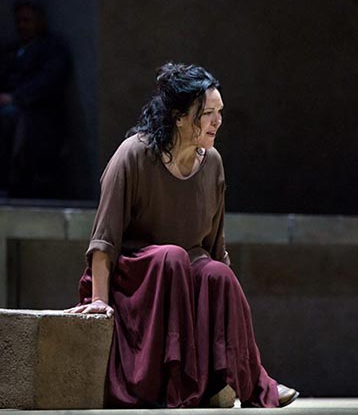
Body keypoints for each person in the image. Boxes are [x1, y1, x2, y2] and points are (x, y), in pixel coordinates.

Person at [65, 63, 298, 408]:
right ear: (179, 117)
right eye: (207, 113)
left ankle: (253, 383)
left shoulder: (212, 163)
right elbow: (104, 241)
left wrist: (223, 296)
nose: (217, 121)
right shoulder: (133, 155)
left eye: (220, 112)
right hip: (139, 278)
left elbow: (215, 246)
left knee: (218, 273)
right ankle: (169, 382)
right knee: (171, 256)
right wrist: (100, 300)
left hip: (185, 275)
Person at [0, 0, 70, 198]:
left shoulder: (52, 49)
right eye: (19, 21)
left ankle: (14, 183)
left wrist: (14, 98)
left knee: (11, 118)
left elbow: (48, 81)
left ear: (40, 21)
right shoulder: (11, 51)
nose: (22, 26)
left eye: (27, 21)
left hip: (37, 111)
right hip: (13, 107)